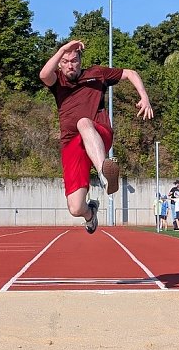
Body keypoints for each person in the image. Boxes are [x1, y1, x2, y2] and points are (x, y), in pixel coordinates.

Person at [40, 40, 153, 234]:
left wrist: (144, 97)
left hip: (98, 132)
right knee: (75, 208)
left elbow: (131, 73)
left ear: (80, 62)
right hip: (71, 144)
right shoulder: (57, 80)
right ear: (60, 63)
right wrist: (62, 49)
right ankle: (90, 213)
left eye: (74, 60)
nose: (70, 65)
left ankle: (105, 173)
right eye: (65, 61)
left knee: (83, 122)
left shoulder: (97, 74)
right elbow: (43, 75)